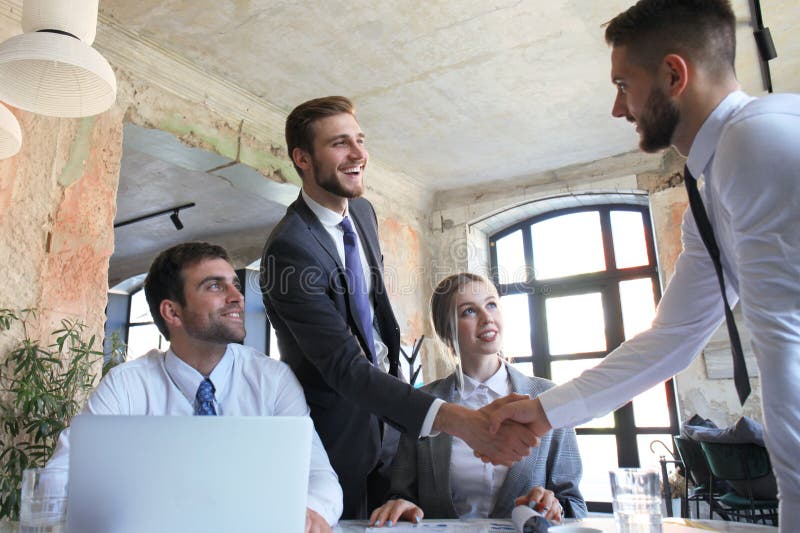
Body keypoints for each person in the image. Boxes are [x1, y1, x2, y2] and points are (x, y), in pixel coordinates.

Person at [485, 1, 800, 529]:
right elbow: (670, 339)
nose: (617, 108)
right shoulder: (706, 190)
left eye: (623, 85)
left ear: (674, 75)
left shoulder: (755, 140)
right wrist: (543, 413)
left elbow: (788, 346)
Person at [260, 96, 537, 519]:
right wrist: (462, 422)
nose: (359, 155)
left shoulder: (364, 214)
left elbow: (375, 321)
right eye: (340, 144)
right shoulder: (289, 250)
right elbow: (343, 366)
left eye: (360, 140)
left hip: (389, 430)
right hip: (335, 441)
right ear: (302, 158)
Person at [48, 242, 343, 533]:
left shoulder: (273, 380)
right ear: (172, 312)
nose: (237, 297)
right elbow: (58, 479)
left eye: (235, 285)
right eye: (215, 286)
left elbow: (319, 476)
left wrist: (311, 511)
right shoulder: (126, 385)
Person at [369, 273, 586, 527]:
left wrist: (555, 505)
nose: (487, 318)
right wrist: (401, 505)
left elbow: (574, 505)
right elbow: (401, 495)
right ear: (446, 330)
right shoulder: (422, 404)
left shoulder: (549, 398)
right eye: (469, 311)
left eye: (491, 304)